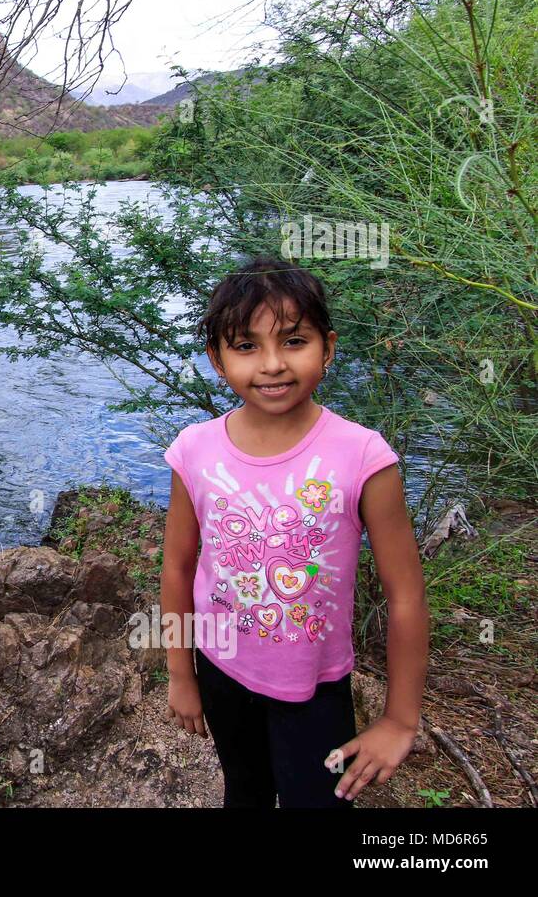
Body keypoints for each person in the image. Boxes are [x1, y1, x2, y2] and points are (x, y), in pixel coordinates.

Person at [160, 256, 429, 807]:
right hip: (220, 668)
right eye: (246, 346)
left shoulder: (363, 457)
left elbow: (406, 594)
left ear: (327, 349)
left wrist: (400, 719)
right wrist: (180, 674)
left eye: (294, 341)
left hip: (315, 686)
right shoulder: (194, 450)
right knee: (245, 789)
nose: (273, 364)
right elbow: (179, 566)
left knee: (317, 801)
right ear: (216, 359)